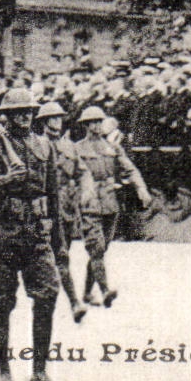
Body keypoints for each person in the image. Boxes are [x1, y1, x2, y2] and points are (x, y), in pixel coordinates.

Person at [0, 87, 63, 381]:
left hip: (36, 232)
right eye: (17, 111)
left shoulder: (44, 145)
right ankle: (4, 371)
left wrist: (59, 241)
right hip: (3, 231)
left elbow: (53, 194)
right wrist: (8, 178)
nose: (24, 115)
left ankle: (39, 371)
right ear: (7, 115)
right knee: (3, 303)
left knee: (48, 295)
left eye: (29, 110)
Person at [73, 105, 150, 307]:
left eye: (99, 121)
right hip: (89, 202)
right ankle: (105, 290)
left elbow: (130, 169)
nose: (96, 126)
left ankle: (87, 293)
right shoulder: (77, 148)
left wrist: (141, 189)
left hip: (110, 202)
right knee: (96, 247)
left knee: (101, 248)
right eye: (92, 122)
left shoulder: (113, 147)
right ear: (85, 125)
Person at [37, 101, 88, 323]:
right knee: (58, 257)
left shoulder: (70, 146)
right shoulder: (36, 145)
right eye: (52, 118)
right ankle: (73, 301)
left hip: (66, 210)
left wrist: (86, 190)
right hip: (44, 211)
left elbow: (82, 172)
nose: (57, 121)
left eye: (59, 117)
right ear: (44, 122)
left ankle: (66, 300)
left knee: (62, 255)